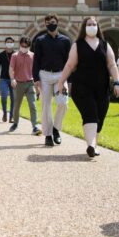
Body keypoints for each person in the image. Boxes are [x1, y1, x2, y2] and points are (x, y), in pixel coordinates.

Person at [57, 17, 119, 158]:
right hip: (82, 87)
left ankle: (94, 144)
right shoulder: (78, 45)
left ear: (98, 27)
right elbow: (69, 65)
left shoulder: (105, 44)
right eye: (89, 24)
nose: (92, 26)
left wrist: (117, 82)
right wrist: (61, 82)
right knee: (90, 114)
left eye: (94, 24)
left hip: (102, 87)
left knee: (100, 116)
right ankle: (91, 145)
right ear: (84, 27)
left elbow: (111, 64)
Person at [33, 14, 72, 147]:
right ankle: (48, 135)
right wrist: (36, 79)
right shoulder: (40, 40)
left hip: (61, 75)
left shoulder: (66, 40)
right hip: (44, 75)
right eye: (49, 22)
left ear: (57, 23)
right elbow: (36, 61)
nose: (51, 24)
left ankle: (56, 129)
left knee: (63, 103)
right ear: (45, 24)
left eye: (53, 22)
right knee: (46, 106)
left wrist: (69, 79)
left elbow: (69, 62)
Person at [9, 37, 42, 135]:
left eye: (26, 46)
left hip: (30, 83)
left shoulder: (33, 56)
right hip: (18, 83)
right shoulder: (14, 56)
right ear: (20, 45)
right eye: (22, 46)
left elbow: (36, 71)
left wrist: (37, 86)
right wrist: (12, 79)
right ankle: (15, 123)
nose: (24, 48)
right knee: (17, 105)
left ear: (29, 46)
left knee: (33, 105)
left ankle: (35, 126)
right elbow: (11, 69)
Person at [0, 37, 15, 122]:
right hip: (3, 79)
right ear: (5, 43)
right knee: (4, 97)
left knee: (13, 98)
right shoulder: (1, 55)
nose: (9, 43)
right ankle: (5, 113)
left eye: (11, 42)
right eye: (8, 42)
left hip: (13, 79)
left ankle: (11, 116)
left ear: (13, 43)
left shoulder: (15, 54)